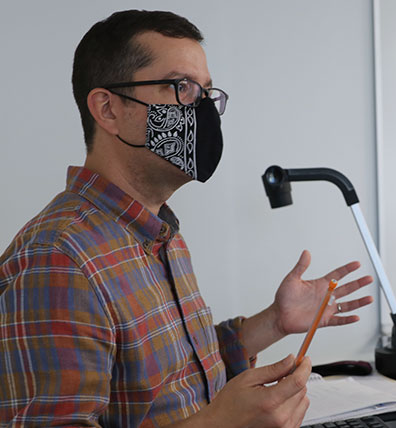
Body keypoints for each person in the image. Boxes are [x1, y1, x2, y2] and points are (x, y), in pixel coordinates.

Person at [0, 10, 374, 427]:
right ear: (107, 109)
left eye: (206, 93)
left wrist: (273, 322)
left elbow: (175, 371)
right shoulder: (57, 259)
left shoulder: (161, 233)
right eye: (181, 87)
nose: (203, 110)